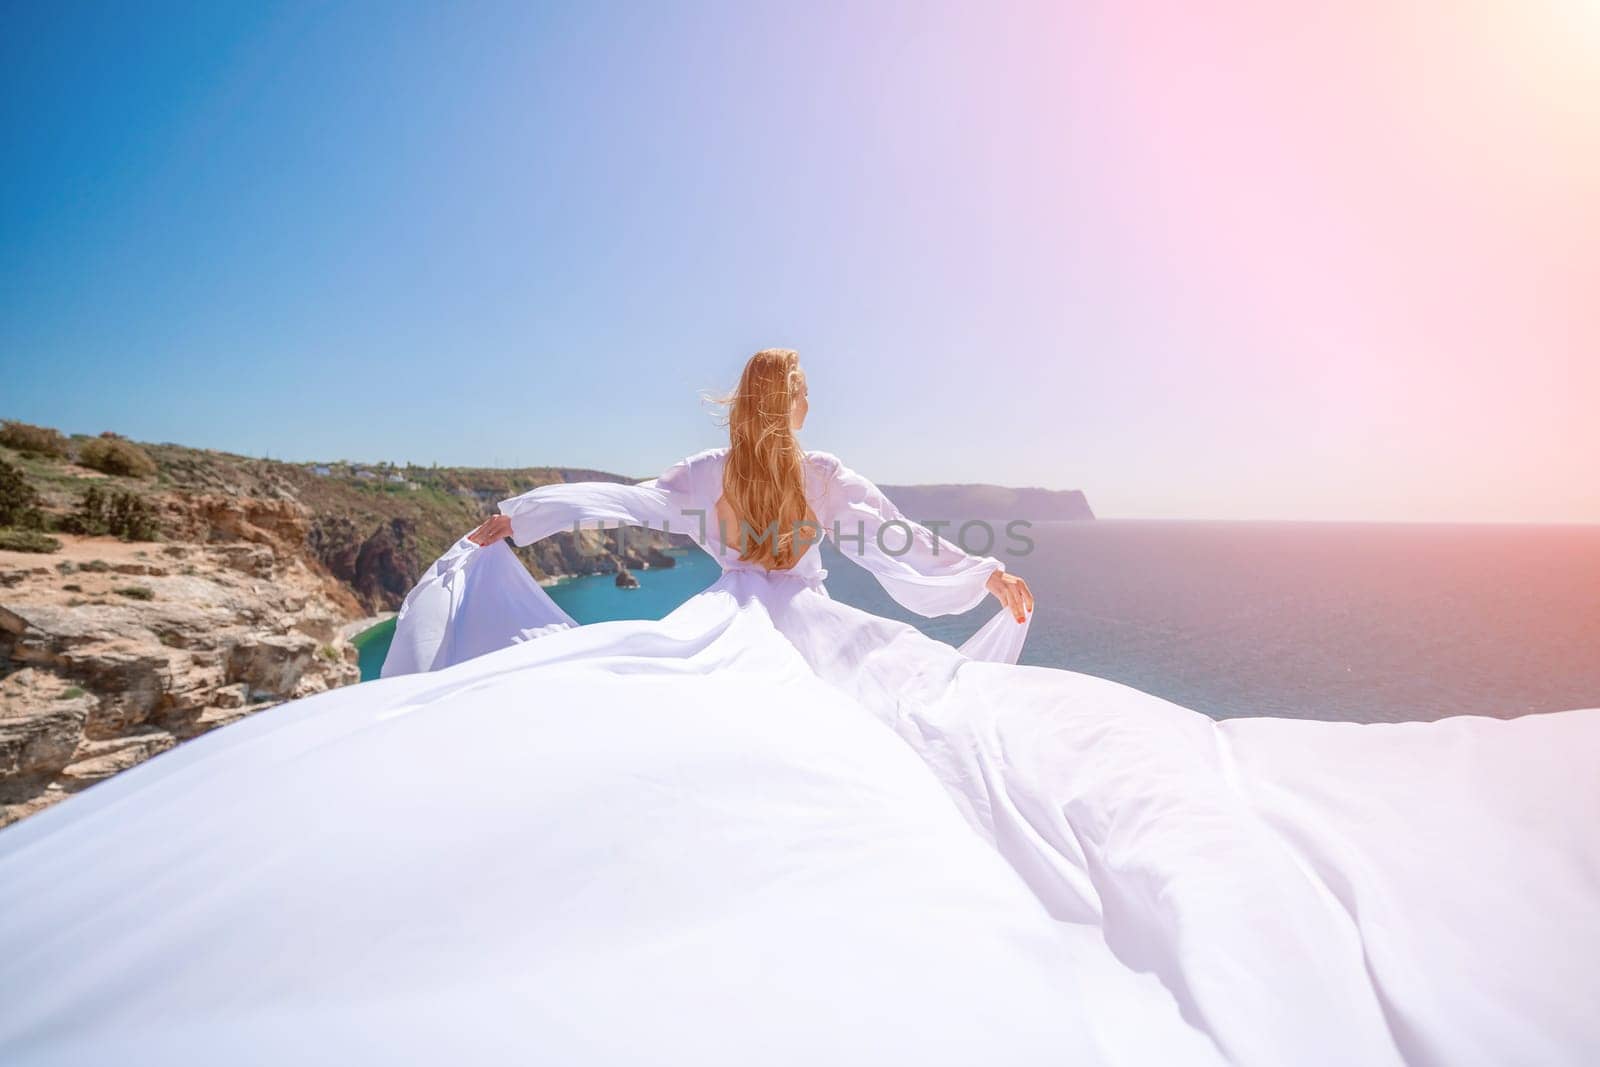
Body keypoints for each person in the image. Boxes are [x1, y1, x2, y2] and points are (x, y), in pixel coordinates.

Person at [1, 350, 1596, 1066]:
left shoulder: (704, 478)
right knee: (951, 758)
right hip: (827, 638)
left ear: (732, 410)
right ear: (803, 410)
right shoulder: (822, 481)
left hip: (723, 634)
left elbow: (594, 497)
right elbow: (906, 557)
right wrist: (991, 593)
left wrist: (505, 527)